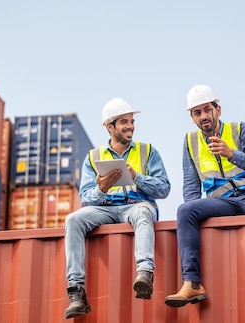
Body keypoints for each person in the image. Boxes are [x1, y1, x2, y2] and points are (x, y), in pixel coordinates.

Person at [165, 84, 245, 308]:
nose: (203, 116)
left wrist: (231, 153)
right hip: (221, 202)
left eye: (207, 110)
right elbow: (191, 186)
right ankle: (192, 283)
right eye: (197, 112)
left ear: (218, 110)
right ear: (191, 117)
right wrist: (194, 215)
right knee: (185, 210)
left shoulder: (241, 129)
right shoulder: (190, 142)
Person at [64, 98, 171, 319]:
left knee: (143, 212)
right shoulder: (93, 157)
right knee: (73, 220)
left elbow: (163, 189)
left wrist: (136, 177)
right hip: (105, 209)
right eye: (124, 122)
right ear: (110, 127)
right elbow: (85, 198)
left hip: (136, 205)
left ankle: (144, 274)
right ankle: (76, 292)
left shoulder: (148, 151)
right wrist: (101, 189)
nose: (130, 126)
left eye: (131, 121)